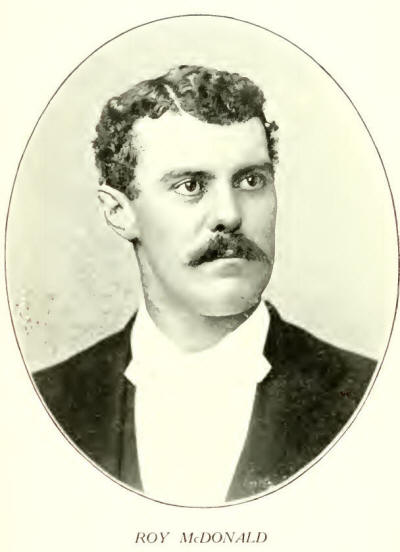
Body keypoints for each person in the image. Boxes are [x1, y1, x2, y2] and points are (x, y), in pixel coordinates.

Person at [34, 65, 375, 505]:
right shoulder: (45, 404)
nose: (230, 215)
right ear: (119, 212)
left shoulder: (370, 396)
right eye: (191, 185)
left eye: (251, 180)